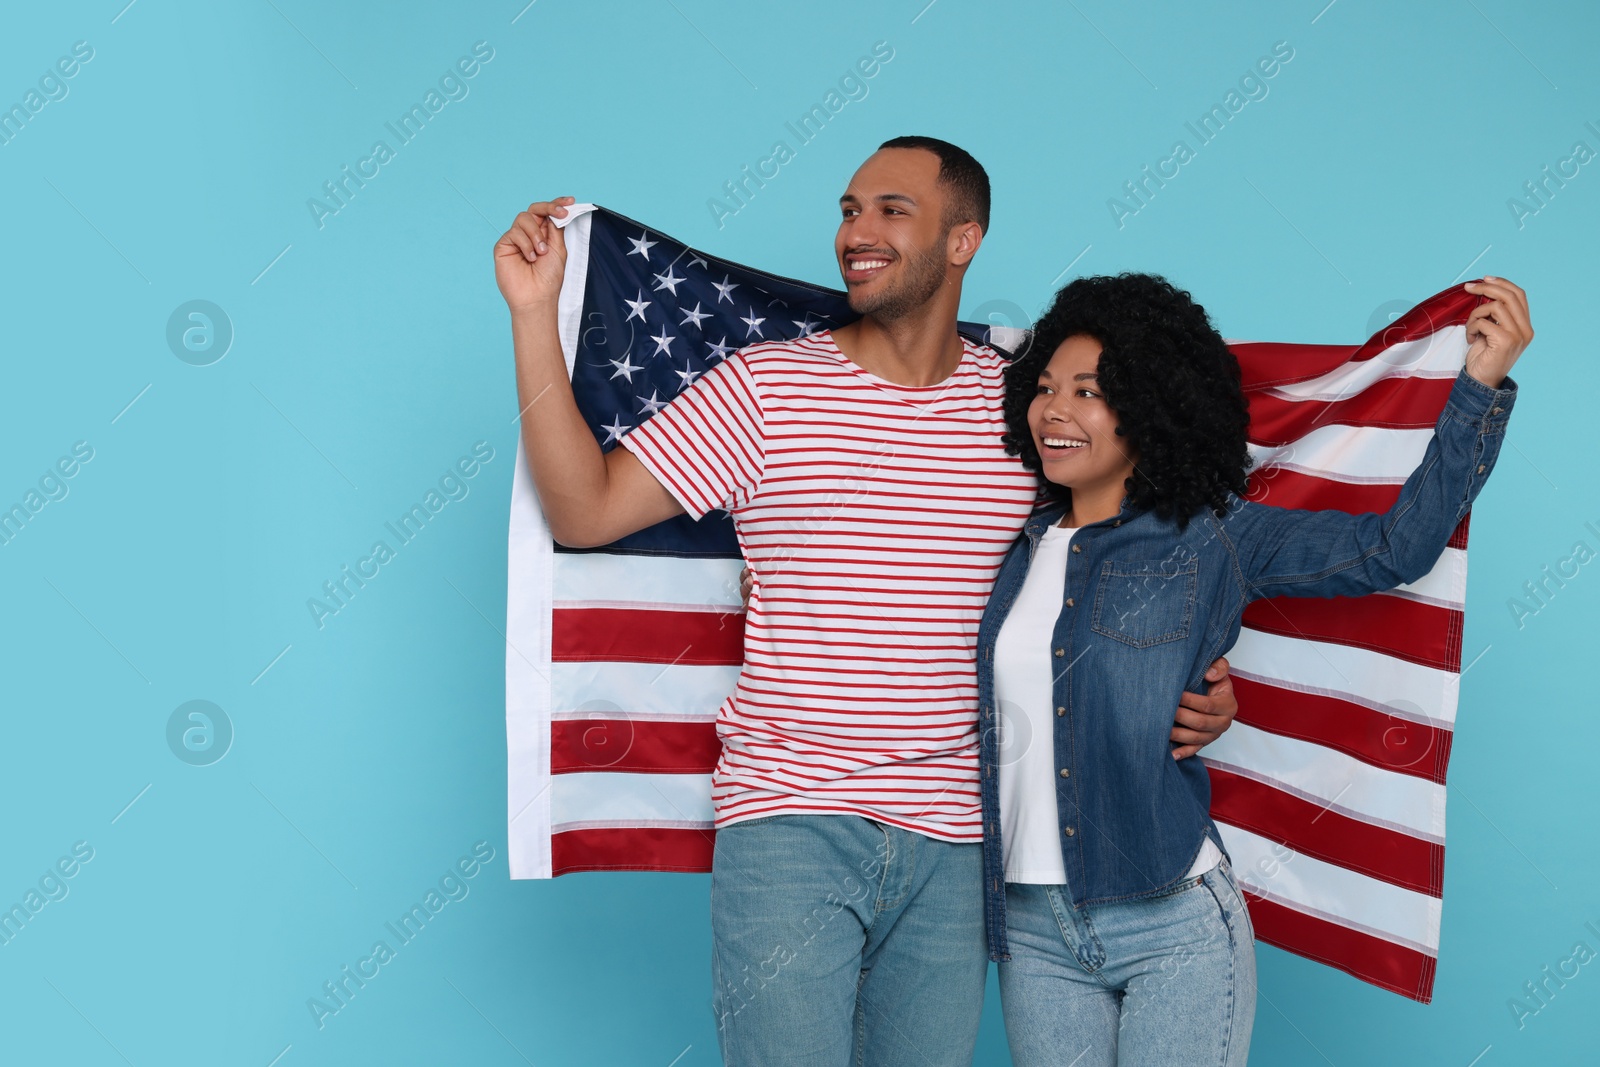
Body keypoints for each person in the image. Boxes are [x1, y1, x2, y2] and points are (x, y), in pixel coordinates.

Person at [494, 138, 1241, 1066]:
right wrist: (533, 316)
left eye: (892, 209)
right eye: (850, 210)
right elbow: (585, 508)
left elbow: (1133, 544)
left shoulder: (1023, 407)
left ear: (963, 239)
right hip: (790, 820)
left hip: (962, 847)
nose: (858, 232)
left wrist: (1196, 675)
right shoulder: (763, 390)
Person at [976, 273, 1531, 1066]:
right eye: (1045, 388)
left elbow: (1393, 549)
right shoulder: (1003, 543)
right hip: (1029, 930)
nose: (1055, 411)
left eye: (1090, 391)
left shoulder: (1212, 536)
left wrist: (1479, 386)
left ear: (1150, 409)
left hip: (1172, 922)